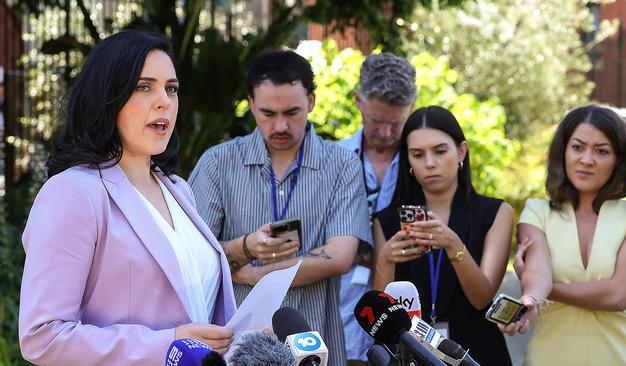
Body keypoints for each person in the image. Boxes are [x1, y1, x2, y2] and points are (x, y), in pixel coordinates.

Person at [18, 31, 237, 365]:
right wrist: (168, 344)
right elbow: (43, 337)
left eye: (171, 88)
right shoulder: (74, 193)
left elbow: (199, 306)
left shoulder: (179, 189)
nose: (163, 100)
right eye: (143, 87)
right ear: (109, 97)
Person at [188, 50, 372, 366]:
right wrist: (245, 246)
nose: (281, 125)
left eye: (292, 112)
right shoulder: (217, 164)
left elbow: (340, 257)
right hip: (235, 350)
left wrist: (251, 274)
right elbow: (191, 258)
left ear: (311, 101)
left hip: (315, 346)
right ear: (251, 103)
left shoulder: (342, 165)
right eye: (268, 114)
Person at [502, 105, 626, 365]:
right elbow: (537, 269)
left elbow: (618, 295)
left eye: (601, 151)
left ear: (618, 158)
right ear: (563, 152)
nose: (587, 159)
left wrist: (547, 291)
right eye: (578, 147)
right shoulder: (537, 212)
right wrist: (530, 298)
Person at [372, 106, 514, 365]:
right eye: (417, 154)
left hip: (477, 351)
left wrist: (453, 244)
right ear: (408, 161)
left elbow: (482, 297)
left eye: (440, 151)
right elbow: (379, 318)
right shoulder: (388, 220)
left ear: (461, 151)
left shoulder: (495, 212)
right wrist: (385, 260)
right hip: (411, 354)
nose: (429, 163)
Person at [337, 52, 416, 365]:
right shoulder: (332, 159)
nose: (385, 132)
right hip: (341, 318)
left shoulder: (425, 161)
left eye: (396, 123)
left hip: (408, 318)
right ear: (358, 100)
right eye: (376, 121)